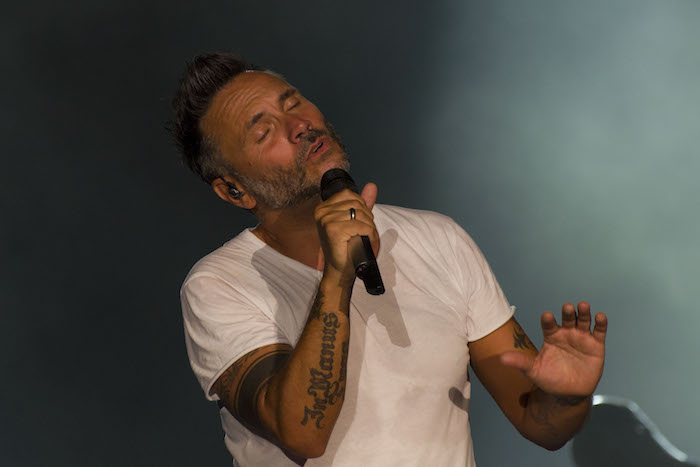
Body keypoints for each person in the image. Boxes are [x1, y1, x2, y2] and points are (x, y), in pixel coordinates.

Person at [171, 52, 608, 467]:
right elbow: (302, 432)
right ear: (234, 190)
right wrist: (337, 277)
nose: (299, 125)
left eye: (294, 103)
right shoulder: (220, 284)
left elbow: (541, 425)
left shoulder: (439, 239)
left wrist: (567, 398)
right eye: (264, 131)